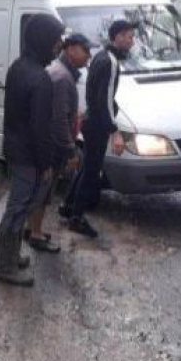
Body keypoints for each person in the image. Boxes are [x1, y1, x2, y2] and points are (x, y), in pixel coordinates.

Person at [0, 13, 65, 287]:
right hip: (28, 155)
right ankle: (6, 267)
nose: (59, 44)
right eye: (56, 39)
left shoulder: (18, 66)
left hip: (15, 149)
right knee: (17, 209)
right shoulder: (40, 79)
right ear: (43, 39)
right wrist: (46, 164)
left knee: (17, 207)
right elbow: (40, 128)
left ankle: (11, 257)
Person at [63, 19, 135, 238]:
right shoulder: (110, 62)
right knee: (91, 173)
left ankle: (67, 207)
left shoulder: (101, 57)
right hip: (97, 126)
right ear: (118, 37)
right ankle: (76, 218)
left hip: (92, 121)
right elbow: (103, 99)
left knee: (86, 169)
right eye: (129, 37)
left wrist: (114, 111)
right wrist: (115, 132)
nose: (132, 42)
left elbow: (99, 97)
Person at [24, 32, 93, 253]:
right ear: (70, 49)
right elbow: (59, 120)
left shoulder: (59, 71)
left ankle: (32, 229)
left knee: (42, 189)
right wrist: (71, 150)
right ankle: (35, 234)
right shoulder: (63, 77)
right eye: (85, 50)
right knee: (44, 191)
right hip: (52, 147)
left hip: (47, 143)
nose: (88, 56)